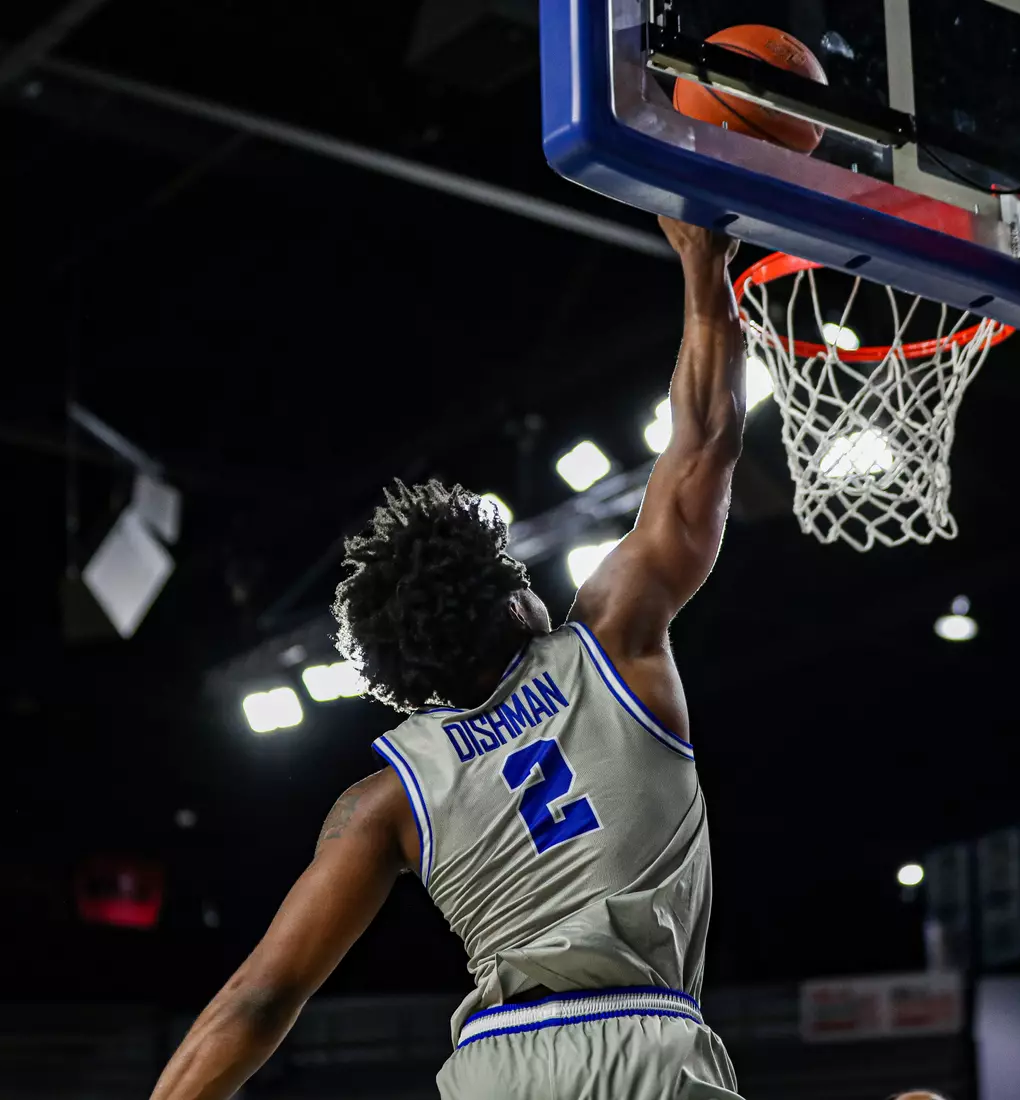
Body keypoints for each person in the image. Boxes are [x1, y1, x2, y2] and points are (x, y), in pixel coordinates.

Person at [147, 216, 746, 1100]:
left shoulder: (385, 798)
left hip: (494, 1067)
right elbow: (702, 442)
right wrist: (704, 264)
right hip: (643, 1041)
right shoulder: (613, 639)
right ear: (512, 598)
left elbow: (259, 997)